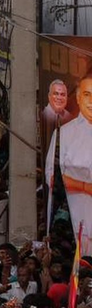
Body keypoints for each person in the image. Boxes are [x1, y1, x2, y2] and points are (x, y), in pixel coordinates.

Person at [46, 74, 92, 251]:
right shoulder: (64, 134)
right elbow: (52, 174)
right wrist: (84, 186)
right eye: (87, 94)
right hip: (75, 213)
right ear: (79, 98)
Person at [43, 78, 74, 149]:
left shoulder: (69, 117)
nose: (59, 98)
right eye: (56, 94)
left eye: (63, 94)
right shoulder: (43, 115)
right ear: (49, 96)